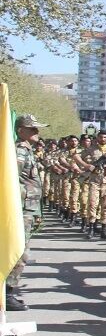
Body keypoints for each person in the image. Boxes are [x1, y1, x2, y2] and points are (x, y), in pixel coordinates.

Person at [6, 115, 47, 311]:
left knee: (21, 251)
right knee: (19, 252)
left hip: (28, 208)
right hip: (21, 209)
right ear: (21, 131)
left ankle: (8, 291)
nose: (37, 132)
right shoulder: (20, 152)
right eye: (33, 129)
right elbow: (12, 181)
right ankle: (7, 292)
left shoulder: (27, 150)